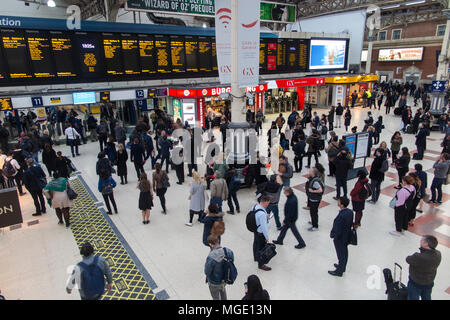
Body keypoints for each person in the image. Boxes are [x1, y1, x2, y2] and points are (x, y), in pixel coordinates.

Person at [405, 235, 442, 300]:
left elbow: (408, 259)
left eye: (422, 240)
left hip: (415, 283)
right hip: (429, 282)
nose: (420, 241)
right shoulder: (438, 254)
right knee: (426, 297)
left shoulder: (418, 257)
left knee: (413, 297)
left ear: (426, 244)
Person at [329, 196, 354, 277]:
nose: (338, 202)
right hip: (347, 235)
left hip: (340, 238)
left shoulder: (341, 216)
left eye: (339, 201)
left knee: (341, 254)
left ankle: (339, 271)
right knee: (344, 252)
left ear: (342, 205)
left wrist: (333, 235)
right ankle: (342, 266)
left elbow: (338, 228)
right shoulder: (350, 212)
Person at [204, 235, 234, 300]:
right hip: (225, 279)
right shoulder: (228, 251)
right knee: (223, 291)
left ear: (210, 244)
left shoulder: (211, 257)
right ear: (218, 241)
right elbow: (231, 263)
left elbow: (207, 271)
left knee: (215, 297)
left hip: (214, 282)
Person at [252, 195, 272, 271]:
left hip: (255, 229)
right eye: (268, 203)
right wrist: (267, 238)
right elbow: (264, 228)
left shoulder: (255, 207)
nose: (268, 204)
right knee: (261, 249)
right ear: (265, 202)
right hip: (260, 233)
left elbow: (256, 217)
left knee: (255, 244)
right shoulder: (262, 214)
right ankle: (261, 264)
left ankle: (256, 257)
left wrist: (265, 216)